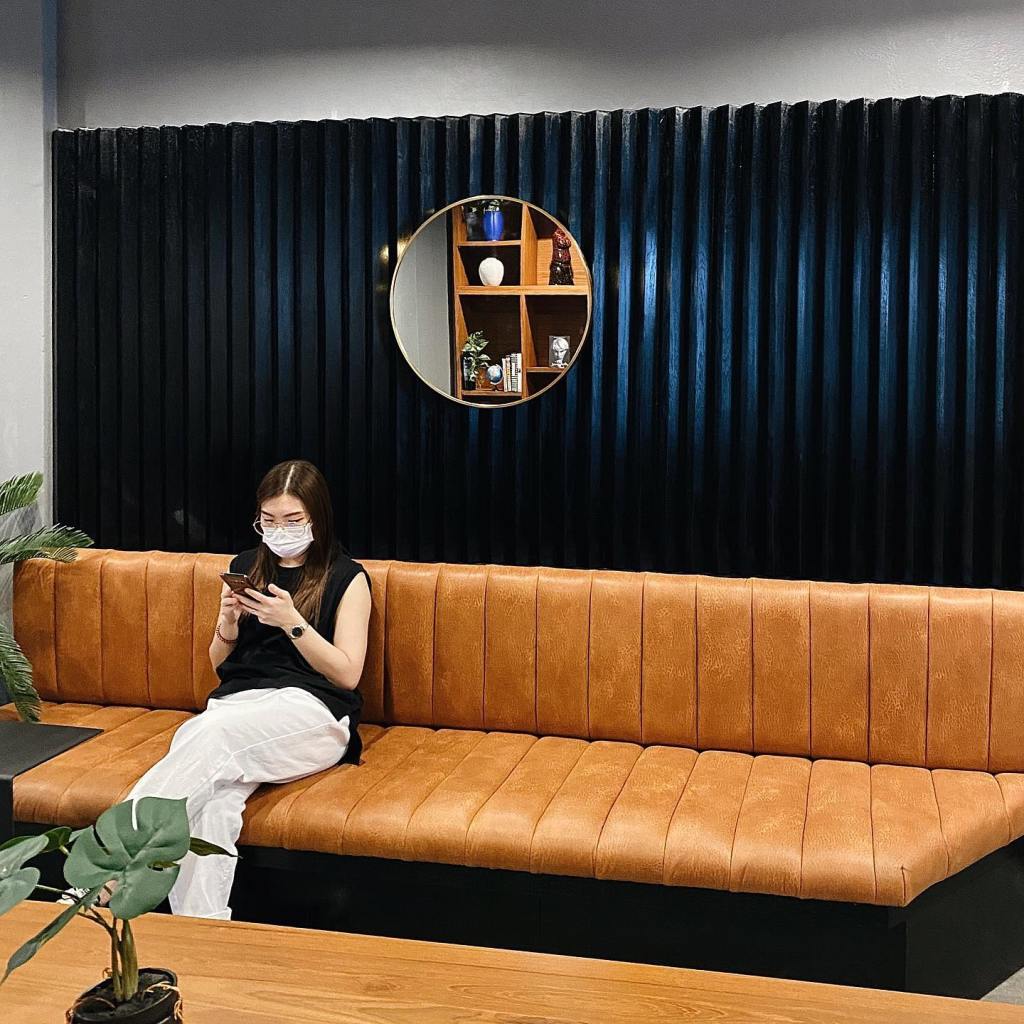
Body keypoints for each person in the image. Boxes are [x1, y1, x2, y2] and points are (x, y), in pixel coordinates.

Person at [63, 459, 372, 919]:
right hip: (238, 707)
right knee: (214, 804)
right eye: (269, 520)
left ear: (318, 519)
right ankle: (202, 932)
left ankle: (104, 869)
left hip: (313, 714)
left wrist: (292, 622)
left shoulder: (348, 577)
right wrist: (227, 621)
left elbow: (347, 674)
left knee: (208, 734)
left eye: (293, 520)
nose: (279, 531)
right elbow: (221, 666)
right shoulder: (246, 566)